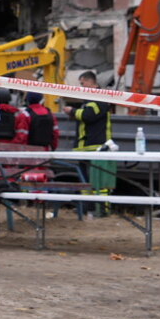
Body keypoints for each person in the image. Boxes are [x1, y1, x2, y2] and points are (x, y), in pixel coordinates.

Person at [70, 70, 115, 216]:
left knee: (99, 181)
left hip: (96, 147)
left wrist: (72, 111)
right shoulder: (91, 99)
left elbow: (88, 116)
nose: (81, 87)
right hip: (87, 147)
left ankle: (101, 210)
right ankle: (86, 209)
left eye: (82, 83)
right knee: (86, 182)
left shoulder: (98, 98)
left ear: (90, 82)